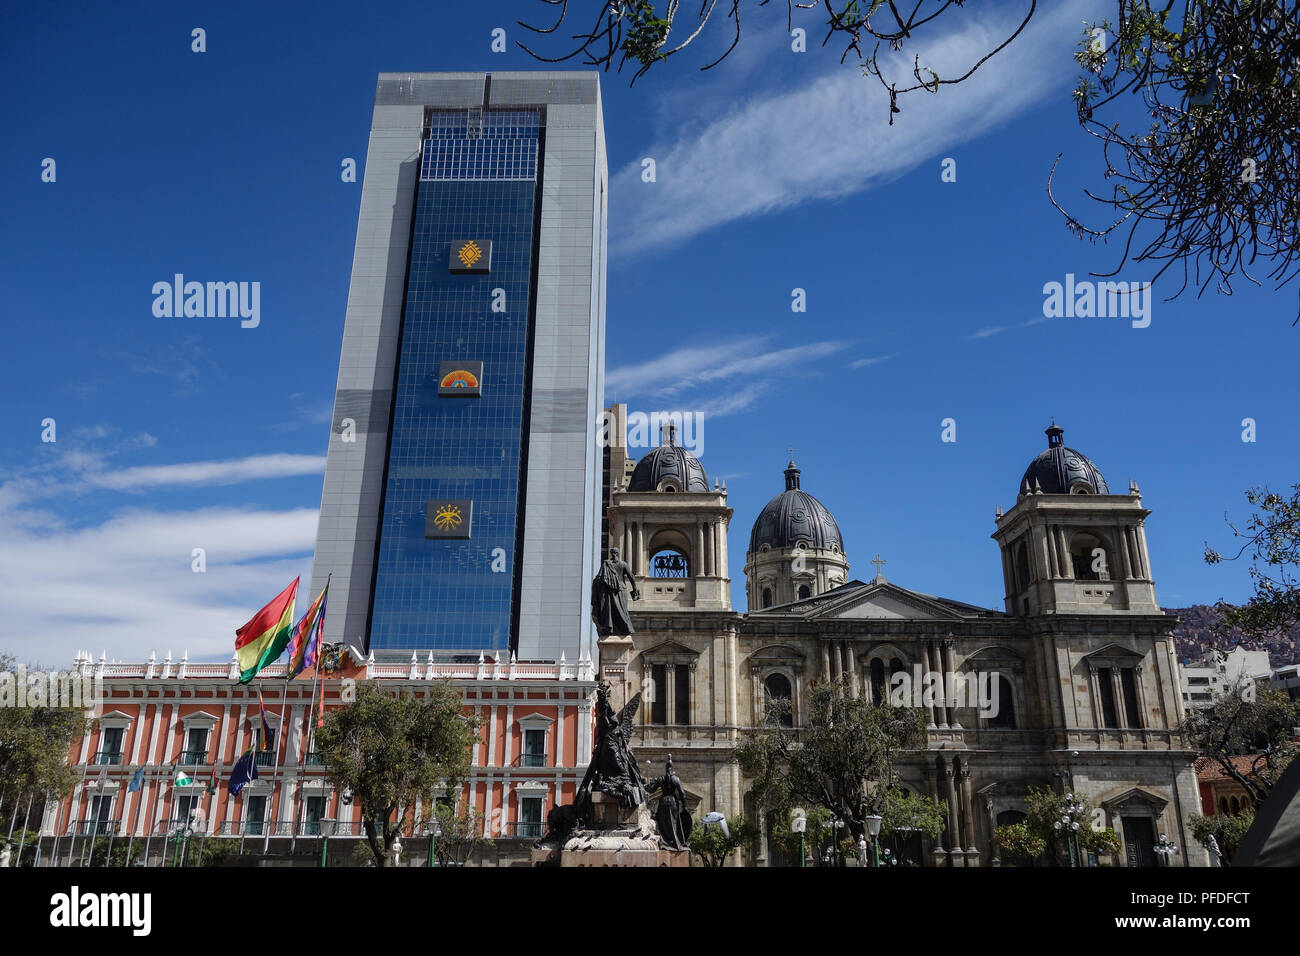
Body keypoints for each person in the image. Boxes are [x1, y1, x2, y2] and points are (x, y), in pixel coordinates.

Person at [591, 548, 640, 636]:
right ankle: (624, 628)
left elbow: (599, 578)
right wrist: (635, 589)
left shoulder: (606, 563)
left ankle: (610, 628)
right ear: (618, 554)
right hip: (620, 590)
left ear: (611, 553)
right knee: (621, 610)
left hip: (609, 590)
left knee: (610, 611)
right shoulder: (623, 564)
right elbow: (631, 577)